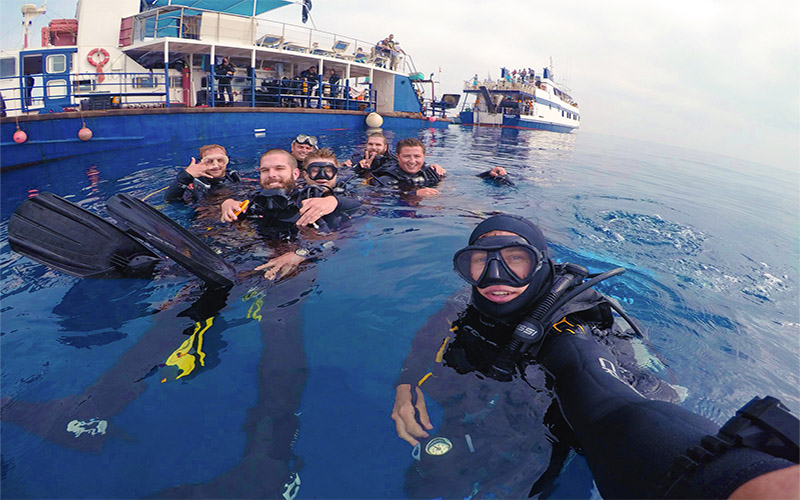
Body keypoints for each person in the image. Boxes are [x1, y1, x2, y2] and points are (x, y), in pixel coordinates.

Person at [391, 214, 799, 499]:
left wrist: (726, 479)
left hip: (554, 412)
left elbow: (610, 408)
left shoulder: (571, 332)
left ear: (539, 265)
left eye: (515, 260)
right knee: (426, 478)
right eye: (481, 262)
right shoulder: (471, 300)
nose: (497, 278)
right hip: (491, 391)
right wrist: (406, 382)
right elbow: (435, 331)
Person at [164, 144, 241, 203]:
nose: (215, 165)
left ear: (227, 161)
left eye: (220, 160)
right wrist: (185, 176)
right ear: (200, 162)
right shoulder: (194, 184)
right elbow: (170, 200)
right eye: (209, 161)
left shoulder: (234, 177)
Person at [372, 138, 446, 197]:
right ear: (398, 157)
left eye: (417, 156)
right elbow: (379, 195)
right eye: (406, 156)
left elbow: (444, 185)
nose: (412, 161)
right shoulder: (386, 179)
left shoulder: (429, 172)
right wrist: (414, 194)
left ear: (424, 156)